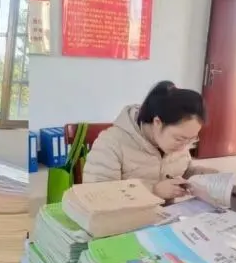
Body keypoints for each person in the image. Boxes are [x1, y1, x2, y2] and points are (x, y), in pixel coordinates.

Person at [82, 81, 211, 202]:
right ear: (157, 122)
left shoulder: (179, 143)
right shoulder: (111, 143)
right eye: (179, 139)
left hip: (166, 215)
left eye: (191, 139)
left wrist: (207, 176)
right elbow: (97, 197)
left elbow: (183, 171)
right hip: (127, 217)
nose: (184, 147)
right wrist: (153, 191)